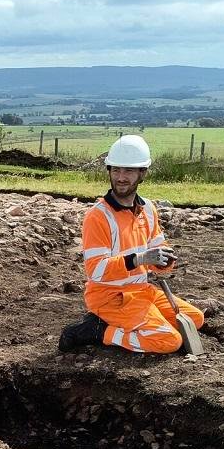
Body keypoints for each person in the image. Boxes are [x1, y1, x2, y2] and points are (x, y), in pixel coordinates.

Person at [58, 134, 204, 354]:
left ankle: (131, 324)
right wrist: (139, 259)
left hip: (142, 290)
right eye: (116, 170)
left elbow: (158, 251)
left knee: (195, 318)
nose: (121, 177)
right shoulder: (98, 216)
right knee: (169, 341)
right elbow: (96, 270)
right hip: (111, 297)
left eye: (128, 171)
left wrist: (165, 261)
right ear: (109, 171)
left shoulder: (148, 209)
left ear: (142, 173)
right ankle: (99, 331)